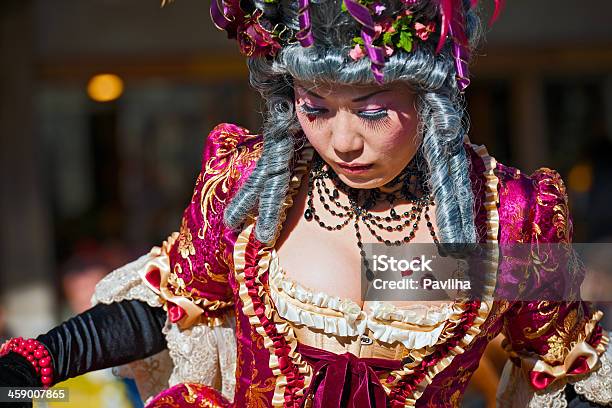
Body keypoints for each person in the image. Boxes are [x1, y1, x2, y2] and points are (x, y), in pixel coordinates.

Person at [1, 0, 610, 407]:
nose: (342, 141)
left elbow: (569, 362)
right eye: (314, 107)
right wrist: (30, 368)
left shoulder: (504, 216)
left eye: (372, 110)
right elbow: (164, 306)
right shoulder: (251, 190)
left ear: (434, 98)